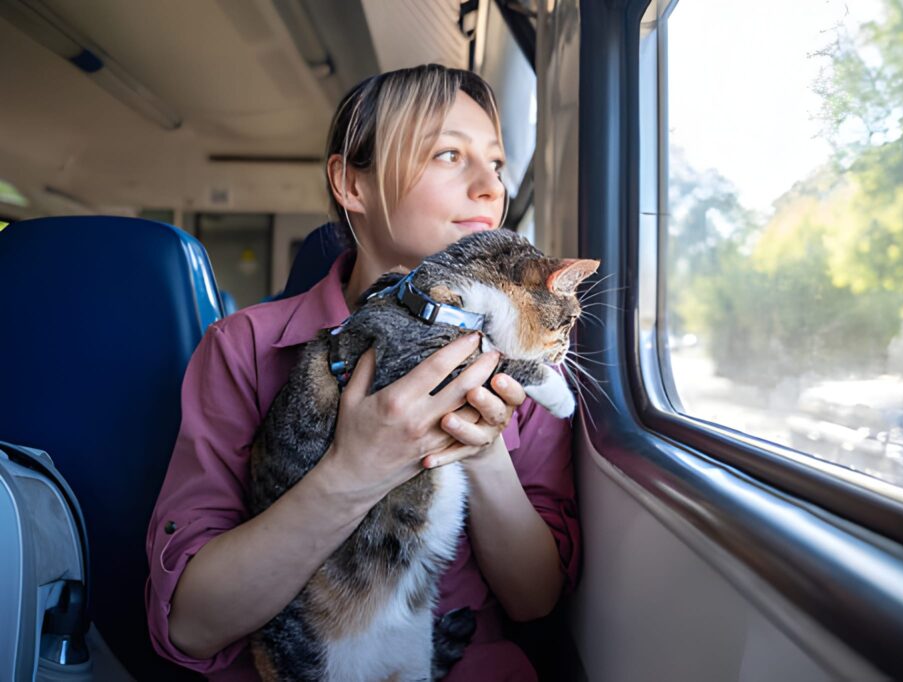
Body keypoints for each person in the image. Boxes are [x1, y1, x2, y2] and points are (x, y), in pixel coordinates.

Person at [145, 64, 580, 681]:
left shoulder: (530, 352)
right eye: (449, 154)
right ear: (351, 183)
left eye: (499, 165)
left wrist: (483, 450)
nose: (489, 188)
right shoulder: (246, 348)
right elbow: (193, 625)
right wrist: (352, 473)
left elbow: (534, 599)